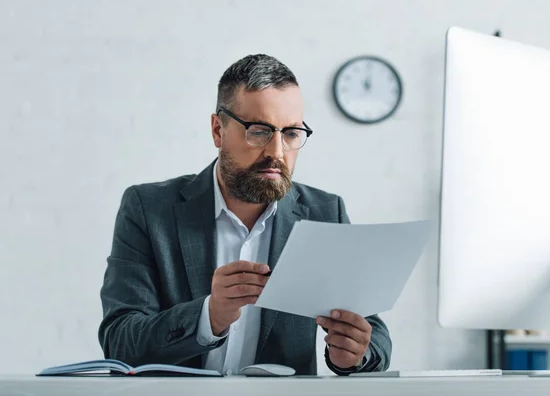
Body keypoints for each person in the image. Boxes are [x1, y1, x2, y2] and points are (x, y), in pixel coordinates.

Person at [98, 54, 391, 376]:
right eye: (259, 131)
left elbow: (373, 334)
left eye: (291, 133)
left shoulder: (325, 213)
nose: (277, 152)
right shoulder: (148, 208)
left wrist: (354, 354)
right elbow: (119, 342)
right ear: (217, 130)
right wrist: (210, 316)